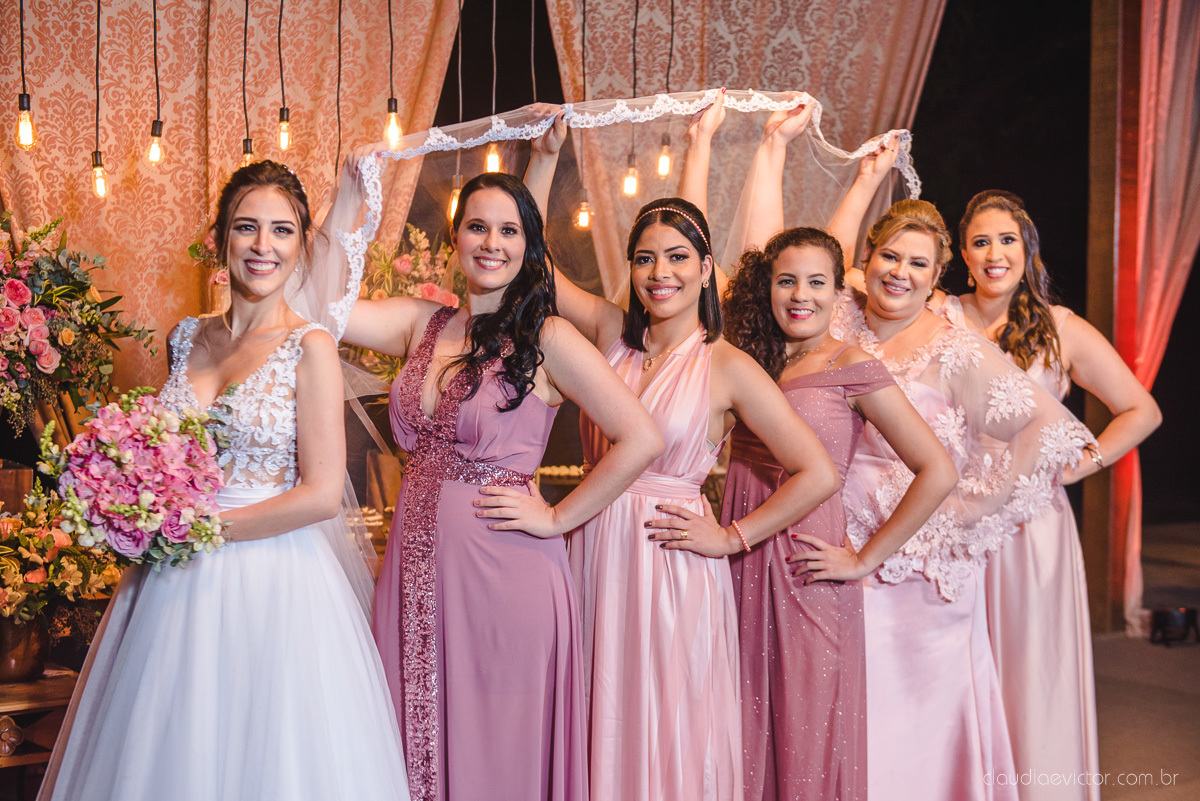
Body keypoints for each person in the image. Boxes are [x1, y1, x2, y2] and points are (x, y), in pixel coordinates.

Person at [38, 161, 412, 801]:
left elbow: (322, 494)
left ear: (300, 247)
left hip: (273, 579)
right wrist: (126, 497)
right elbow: (162, 452)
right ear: (220, 240)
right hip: (170, 583)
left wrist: (198, 527)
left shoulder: (311, 346)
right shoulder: (186, 338)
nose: (263, 246)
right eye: (246, 228)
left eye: (281, 231)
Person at [524, 109, 843, 801]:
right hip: (591, 546)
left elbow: (818, 471)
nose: (658, 272)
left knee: (668, 718)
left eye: (676, 257)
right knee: (595, 711)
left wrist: (732, 537)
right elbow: (534, 262)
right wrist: (545, 160)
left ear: (706, 269)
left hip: (672, 563)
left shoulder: (726, 365)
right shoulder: (612, 333)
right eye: (645, 257)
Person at [329, 158, 663, 801]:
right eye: (477, 227)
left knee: (499, 750)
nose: (491, 243)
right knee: (406, 733)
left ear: (529, 246)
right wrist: (349, 202)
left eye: (509, 231)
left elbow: (641, 438)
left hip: (506, 572)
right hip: (413, 564)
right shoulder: (419, 323)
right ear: (455, 239)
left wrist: (560, 519)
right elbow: (319, 311)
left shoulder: (550, 337)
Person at [688, 103, 958, 801]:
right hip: (735, 558)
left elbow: (938, 470)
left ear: (840, 292)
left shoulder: (853, 365)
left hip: (809, 566)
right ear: (767, 286)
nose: (800, 294)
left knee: (804, 735)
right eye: (786, 280)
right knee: (738, 729)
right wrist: (712, 144)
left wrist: (866, 557)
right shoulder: (753, 360)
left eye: (816, 282)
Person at [820, 192, 1097, 801]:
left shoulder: (954, 347)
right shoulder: (840, 320)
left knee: (916, 730)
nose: (901, 272)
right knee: (850, 718)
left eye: (918, 264)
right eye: (890, 257)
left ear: (936, 276)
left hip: (919, 573)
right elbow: (812, 249)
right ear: (868, 260)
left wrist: (970, 510)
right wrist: (866, 178)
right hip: (840, 548)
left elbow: (1047, 427)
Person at [936, 190, 1157, 801]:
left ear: (1027, 250)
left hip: (1032, 527)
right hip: (951, 520)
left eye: (1007, 240)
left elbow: (1142, 410)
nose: (994, 252)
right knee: (953, 665)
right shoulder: (939, 313)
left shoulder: (1061, 328)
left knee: (1031, 671)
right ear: (962, 253)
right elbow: (859, 278)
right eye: (981, 241)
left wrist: (1080, 466)